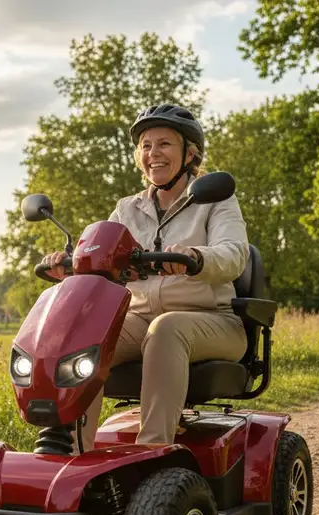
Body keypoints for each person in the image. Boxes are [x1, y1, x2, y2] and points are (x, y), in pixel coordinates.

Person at [40, 104, 249, 449]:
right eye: (146, 145)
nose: (154, 153)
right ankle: (72, 456)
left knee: (165, 328)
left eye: (165, 144)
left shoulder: (215, 200)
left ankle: (153, 452)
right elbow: (100, 254)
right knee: (84, 333)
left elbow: (234, 255)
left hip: (211, 320)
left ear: (190, 153)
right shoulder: (127, 208)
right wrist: (71, 263)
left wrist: (195, 257)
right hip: (139, 318)